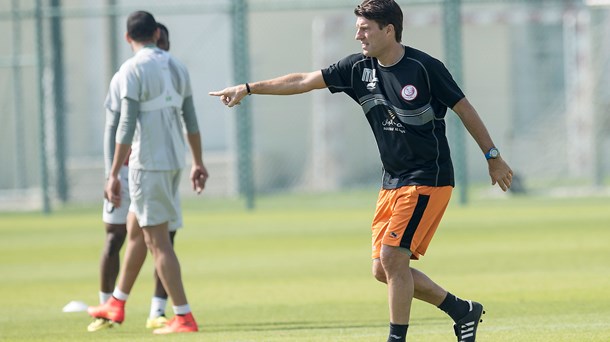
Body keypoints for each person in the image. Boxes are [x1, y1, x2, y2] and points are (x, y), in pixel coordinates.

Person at [209, 0, 512, 341]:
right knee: (383, 269)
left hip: (428, 178)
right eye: (357, 28)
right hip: (392, 181)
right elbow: (303, 81)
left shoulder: (424, 68)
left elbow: (464, 108)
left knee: (392, 258)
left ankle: (396, 338)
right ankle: (461, 310)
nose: (358, 36)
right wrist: (249, 88)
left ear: (389, 30)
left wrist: (493, 156)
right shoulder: (357, 69)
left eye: (365, 28)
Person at [88, 11, 208, 335]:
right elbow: (191, 119)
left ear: (128, 38)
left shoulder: (131, 69)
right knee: (136, 230)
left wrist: (112, 173)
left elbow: (125, 124)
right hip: (173, 162)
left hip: (148, 164)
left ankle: (183, 316)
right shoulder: (177, 65)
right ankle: (117, 301)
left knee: (158, 242)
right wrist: (197, 162)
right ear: (156, 34)